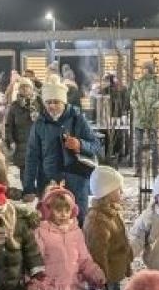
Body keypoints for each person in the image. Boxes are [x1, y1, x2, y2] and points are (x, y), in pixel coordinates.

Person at [23, 76, 103, 216]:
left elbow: (96, 145)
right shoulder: (39, 125)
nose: (52, 106)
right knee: (49, 221)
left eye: (56, 102)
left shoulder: (78, 119)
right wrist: (29, 187)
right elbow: (31, 157)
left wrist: (80, 144)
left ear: (64, 102)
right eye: (48, 102)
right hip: (49, 182)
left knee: (78, 219)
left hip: (76, 181)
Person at [83, 166, 133, 290]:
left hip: (114, 274)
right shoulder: (98, 220)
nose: (121, 193)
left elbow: (122, 243)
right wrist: (100, 278)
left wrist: (126, 263)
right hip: (103, 277)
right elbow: (97, 252)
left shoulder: (111, 214)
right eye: (118, 190)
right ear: (107, 193)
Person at [130, 60, 159, 176]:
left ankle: (155, 170)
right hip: (139, 119)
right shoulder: (137, 83)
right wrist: (137, 106)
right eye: (143, 68)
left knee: (154, 145)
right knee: (138, 145)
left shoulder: (158, 83)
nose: (145, 71)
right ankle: (138, 170)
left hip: (152, 119)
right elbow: (132, 98)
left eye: (147, 68)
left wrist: (157, 104)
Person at [3, 78, 39, 173]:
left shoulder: (39, 104)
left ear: (32, 89)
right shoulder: (14, 106)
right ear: (19, 90)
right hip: (20, 145)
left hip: (37, 144)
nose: (25, 89)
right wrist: (10, 141)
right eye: (22, 87)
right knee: (25, 174)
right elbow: (8, 126)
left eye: (27, 87)